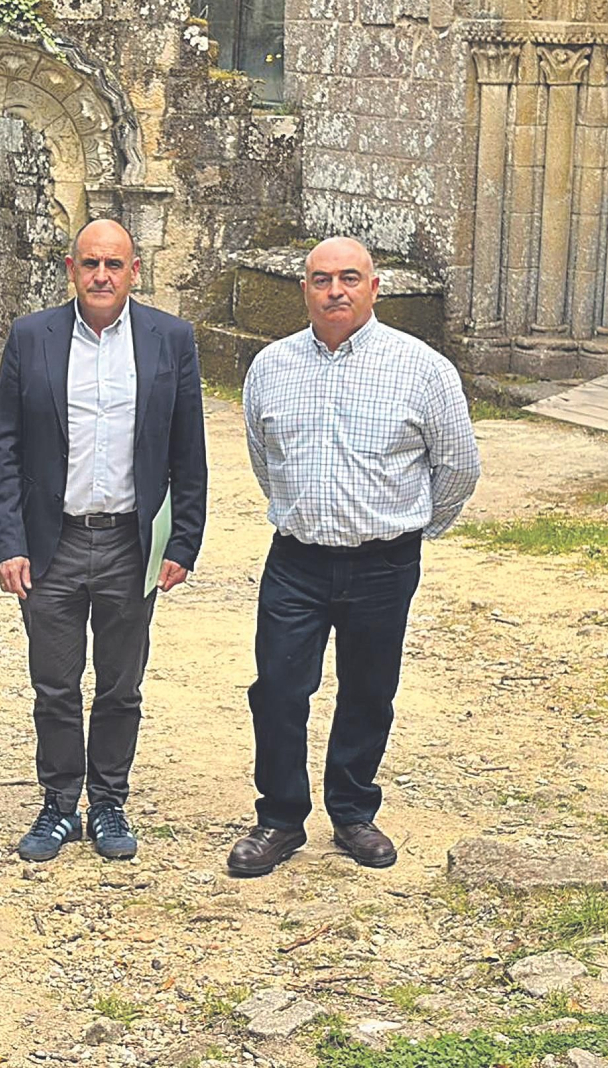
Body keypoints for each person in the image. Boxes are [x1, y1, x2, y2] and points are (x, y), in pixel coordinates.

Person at [229, 236, 480, 876]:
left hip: (383, 562)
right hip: (297, 560)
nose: (335, 290)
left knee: (369, 691)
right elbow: (266, 460)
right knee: (278, 690)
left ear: (374, 287)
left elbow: (456, 467)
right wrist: (306, 512)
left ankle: (353, 812)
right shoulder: (272, 367)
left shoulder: (422, 369)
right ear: (304, 289)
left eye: (349, 278)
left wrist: (410, 533)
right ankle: (281, 819)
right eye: (320, 279)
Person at [0, 219, 207, 862]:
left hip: (129, 545)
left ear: (135, 270)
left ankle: (108, 801)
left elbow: (187, 452)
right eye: (90, 264)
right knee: (54, 685)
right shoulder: (33, 337)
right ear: (71, 268)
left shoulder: (171, 339)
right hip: (51, 542)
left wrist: (182, 543)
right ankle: (59, 804)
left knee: (120, 686)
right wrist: (9, 541)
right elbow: (4, 449)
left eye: (115, 264)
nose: (102, 276)